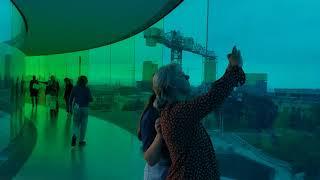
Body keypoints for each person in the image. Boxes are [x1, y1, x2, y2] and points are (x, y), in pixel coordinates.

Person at [152, 46, 246, 180]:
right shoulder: (178, 113)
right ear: (171, 84)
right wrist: (235, 68)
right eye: (182, 74)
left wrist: (230, 69)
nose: (187, 76)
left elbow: (210, 96)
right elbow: (212, 97)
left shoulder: (173, 112)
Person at [138, 93, 171, 180]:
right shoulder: (150, 115)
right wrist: (160, 134)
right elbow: (150, 160)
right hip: (159, 173)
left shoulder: (173, 110)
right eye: (182, 77)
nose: (187, 78)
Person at [69, 76, 93, 146]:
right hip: (85, 108)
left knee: (76, 124)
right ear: (86, 82)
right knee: (83, 125)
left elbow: (70, 99)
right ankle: (81, 141)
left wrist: (70, 108)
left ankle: (74, 136)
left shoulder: (75, 88)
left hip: (76, 108)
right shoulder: (87, 89)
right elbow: (90, 99)